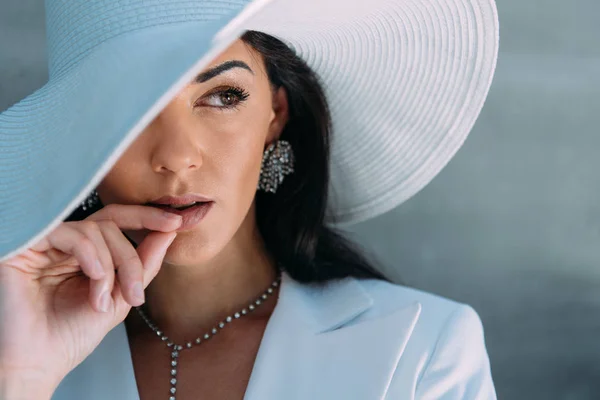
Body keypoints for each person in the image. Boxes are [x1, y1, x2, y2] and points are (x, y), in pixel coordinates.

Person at [0, 0, 500, 398]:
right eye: (129, 108)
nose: (176, 157)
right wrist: (22, 377)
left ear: (274, 115)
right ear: (79, 137)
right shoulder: (20, 342)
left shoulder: (422, 351)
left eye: (222, 96)